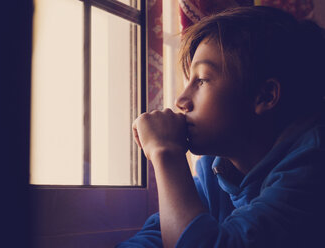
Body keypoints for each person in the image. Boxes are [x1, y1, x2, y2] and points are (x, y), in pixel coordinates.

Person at [117, 6, 325, 248]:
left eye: (202, 79)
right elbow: (160, 234)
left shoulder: (312, 166)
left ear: (265, 96)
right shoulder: (217, 170)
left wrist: (166, 154)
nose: (181, 101)